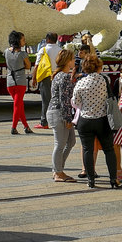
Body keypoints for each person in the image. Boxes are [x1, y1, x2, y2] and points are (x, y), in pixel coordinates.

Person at [72, 53, 120, 188]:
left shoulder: (80, 83)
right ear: (98, 66)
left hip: (86, 120)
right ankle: (113, 179)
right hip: (102, 119)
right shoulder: (104, 80)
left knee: (88, 150)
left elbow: (76, 102)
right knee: (108, 149)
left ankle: (91, 179)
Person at [47, 47, 78, 182]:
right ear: (67, 62)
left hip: (57, 112)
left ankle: (58, 168)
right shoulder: (64, 77)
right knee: (60, 144)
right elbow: (64, 99)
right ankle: (58, 172)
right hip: (59, 112)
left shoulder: (59, 75)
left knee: (71, 141)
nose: (74, 61)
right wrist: (67, 118)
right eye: (72, 59)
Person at [4, 31, 34, 135]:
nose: (24, 42)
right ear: (18, 41)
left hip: (10, 81)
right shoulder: (22, 54)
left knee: (19, 105)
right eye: (23, 40)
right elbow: (28, 66)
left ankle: (26, 127)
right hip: (20, 81)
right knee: (18, 105)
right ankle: (14, 127)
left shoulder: (6, 52)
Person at [34, 32, 61, 129]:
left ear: (48, 39)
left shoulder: (43, 50)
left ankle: (44, 122)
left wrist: (34, 78)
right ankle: (58, 121)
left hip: (45, 76)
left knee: (46, 100)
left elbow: (37, 65)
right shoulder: (60, 50)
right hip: (57, 75)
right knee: (57, 99)